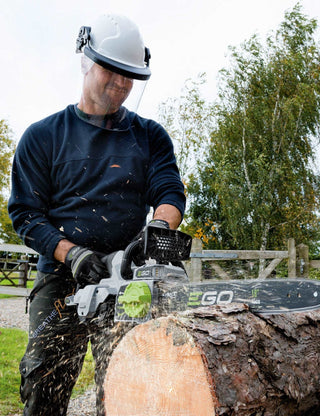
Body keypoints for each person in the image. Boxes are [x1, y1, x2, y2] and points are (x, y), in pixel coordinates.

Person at [8, 14, 186, 416]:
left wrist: (158, 228)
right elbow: (25, 214)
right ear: (85, 61)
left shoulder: (150, 136)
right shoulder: (44, 136)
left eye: (129, 76)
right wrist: (72, 254)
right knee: (44, 380)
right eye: (113, 71)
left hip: (129, 276)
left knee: (131, 385)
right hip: (62, 278)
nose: (121, 84)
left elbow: (169, 191)